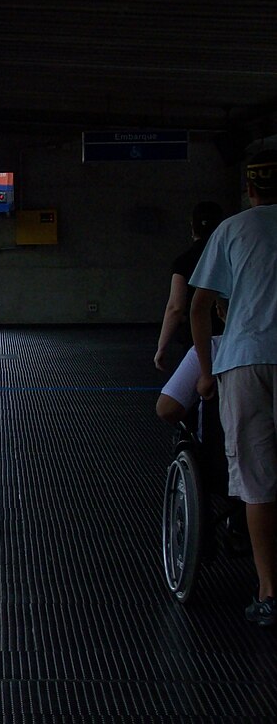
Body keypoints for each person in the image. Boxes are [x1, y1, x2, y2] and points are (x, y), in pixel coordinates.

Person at [190, 149, 277, 626]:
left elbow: (199, 306)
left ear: (250, 190)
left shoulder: (232, 229)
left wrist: (206, 371)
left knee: (259, 481)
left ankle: (269, 591)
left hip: (245, 361)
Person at [154, 201, 224, 371]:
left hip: (196, 340)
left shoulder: (184, 261)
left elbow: (175, 307)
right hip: (229, 337)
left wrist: (161, 347)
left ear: (193, 226)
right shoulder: (229, 259)